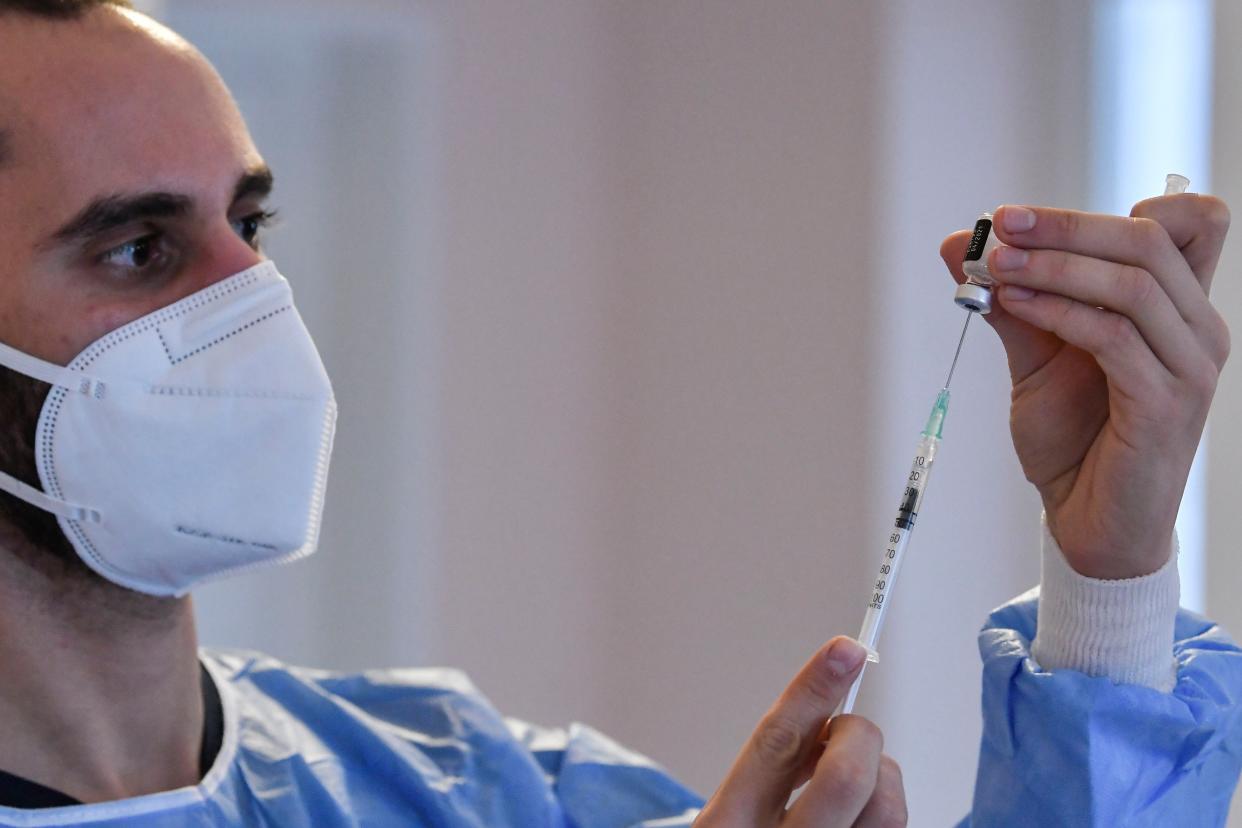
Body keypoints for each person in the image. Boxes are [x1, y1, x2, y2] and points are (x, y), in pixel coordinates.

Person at [0, 2, 1236, 826]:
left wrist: (1107, 580)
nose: (256, 303)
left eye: (252, 227)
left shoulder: (465, 786)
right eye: (141, 250)